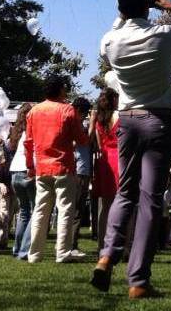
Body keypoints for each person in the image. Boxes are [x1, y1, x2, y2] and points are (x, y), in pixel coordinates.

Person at [92, 0, 171, 299]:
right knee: (150, 200)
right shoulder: (161, 34)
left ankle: (106, 256)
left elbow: (109, 36)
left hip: (127, 121)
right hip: (157, 120)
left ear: (119, 9)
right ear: (147, 6)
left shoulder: (111, 41)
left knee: (124, 192)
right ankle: (138, 281)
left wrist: (124, 14)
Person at [25, 74, 90, 264]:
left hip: (42, 168)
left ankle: (34, 254)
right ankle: (62, 252)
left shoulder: (34, 111)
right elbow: (81, 140)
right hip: (63, 167)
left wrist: (30, 166)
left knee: (40, 211)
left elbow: (28, 143)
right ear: (60, 89)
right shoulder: (67, 110)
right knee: (65, 210)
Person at [91, 88, 120, 245]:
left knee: (105, 206)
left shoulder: (98, 120)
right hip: (118, 160)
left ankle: (101, 243)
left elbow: (100, 145)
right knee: (123, 203)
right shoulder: (118, 116)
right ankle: (123, 244)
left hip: (103, 161)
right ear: (113, 99)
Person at [8, 103, 35, 260]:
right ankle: (24, 250)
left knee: (24, 212)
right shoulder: (31, 132)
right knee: (35, 211)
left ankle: (17, 248)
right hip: (27, 171)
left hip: (15, 173)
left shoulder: (17, 133)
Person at [71, 97, 93, 253]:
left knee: (73, 209)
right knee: (76, 209)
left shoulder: (73, 123)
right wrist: (92, 123)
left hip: (79, 169)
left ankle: (69, 243)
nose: (86, 117)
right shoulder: (74, 124)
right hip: (79, 170)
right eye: (85, 114)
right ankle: (71, 244)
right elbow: (85, 141)